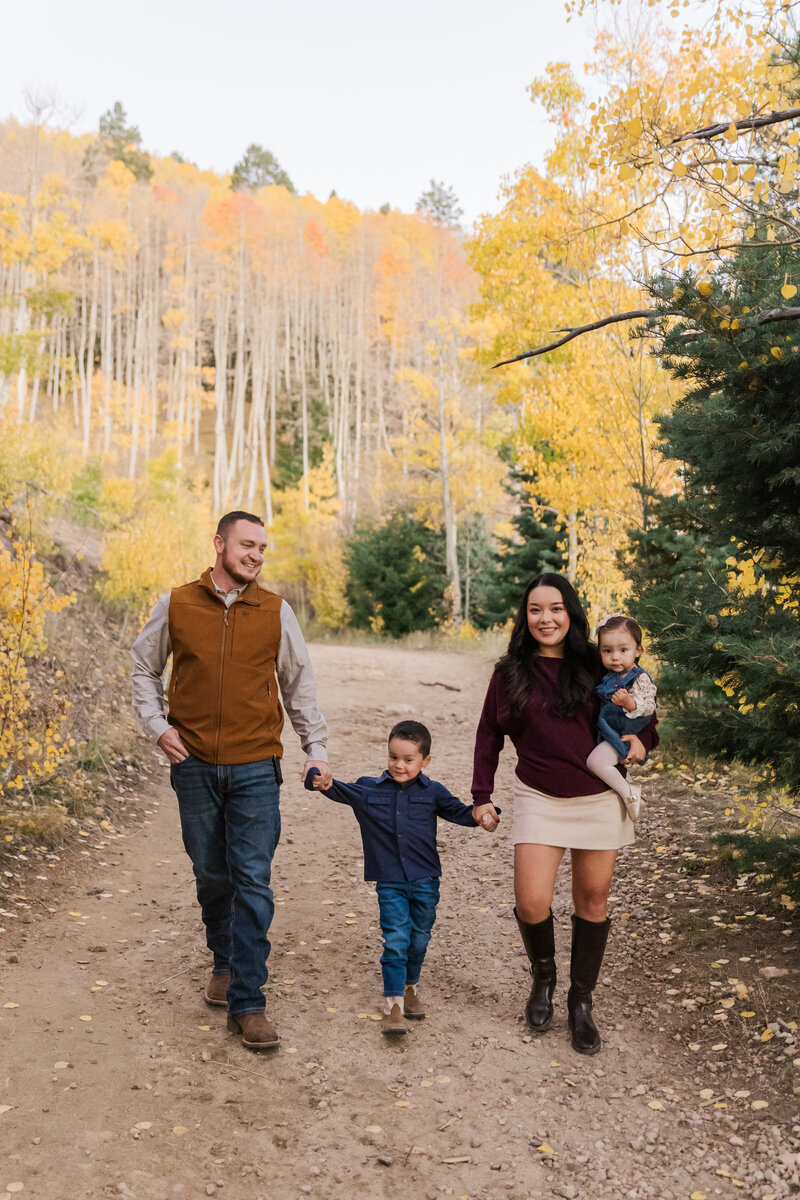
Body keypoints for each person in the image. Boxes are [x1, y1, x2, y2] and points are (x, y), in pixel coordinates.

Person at [131, 510, 332, 1051]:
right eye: (247, 545)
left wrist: (317, 749)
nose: (256, 555)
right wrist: (156, 727)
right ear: (219, 544)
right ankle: (223, 957)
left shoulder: (275, 611)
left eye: (262, 548)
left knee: (253, 879)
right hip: (192, 764)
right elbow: (144, 670)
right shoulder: (176, 603)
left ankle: (248, 1000)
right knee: (211, 874)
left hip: (255, 766)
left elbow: (298, 684)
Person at [470, 574, 658, 1056]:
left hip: (597, 796)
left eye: (556, 609)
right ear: (525, 617)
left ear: (570, 613)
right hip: (538, 795)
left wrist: (642, 742)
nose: (546, 618)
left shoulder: (597, 665)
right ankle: (544, 978)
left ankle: (580, 1001)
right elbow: (489, 734)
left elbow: (643, 716)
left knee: (593, 900)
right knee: (532, 901)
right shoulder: (510, 672)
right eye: (536, 610)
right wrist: (481, 793)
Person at [306, 720, 499, 1036]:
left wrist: (483, 816)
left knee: (419, 937)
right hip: (390, 880)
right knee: (396, 939)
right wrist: (324, 782)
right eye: (393, 757)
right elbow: (338, 790)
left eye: (408, 760)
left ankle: (410, 987)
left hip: (425, 880)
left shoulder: (433, 792)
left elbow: (461, 813)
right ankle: (392, 1004)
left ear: (425, 761)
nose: (399, 765)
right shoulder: (370, 788)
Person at [586, 614, 657, 824]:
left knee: (595, 762)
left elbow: (650, 706)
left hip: (625, 726)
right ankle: (627, 784)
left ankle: (630, 794)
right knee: (604, 758)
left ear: (638, 651)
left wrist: (629, 703)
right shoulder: (611, 675)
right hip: (610, 725)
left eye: (623, 650)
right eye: (607, 651)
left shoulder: (639, 677)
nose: (615, 657)